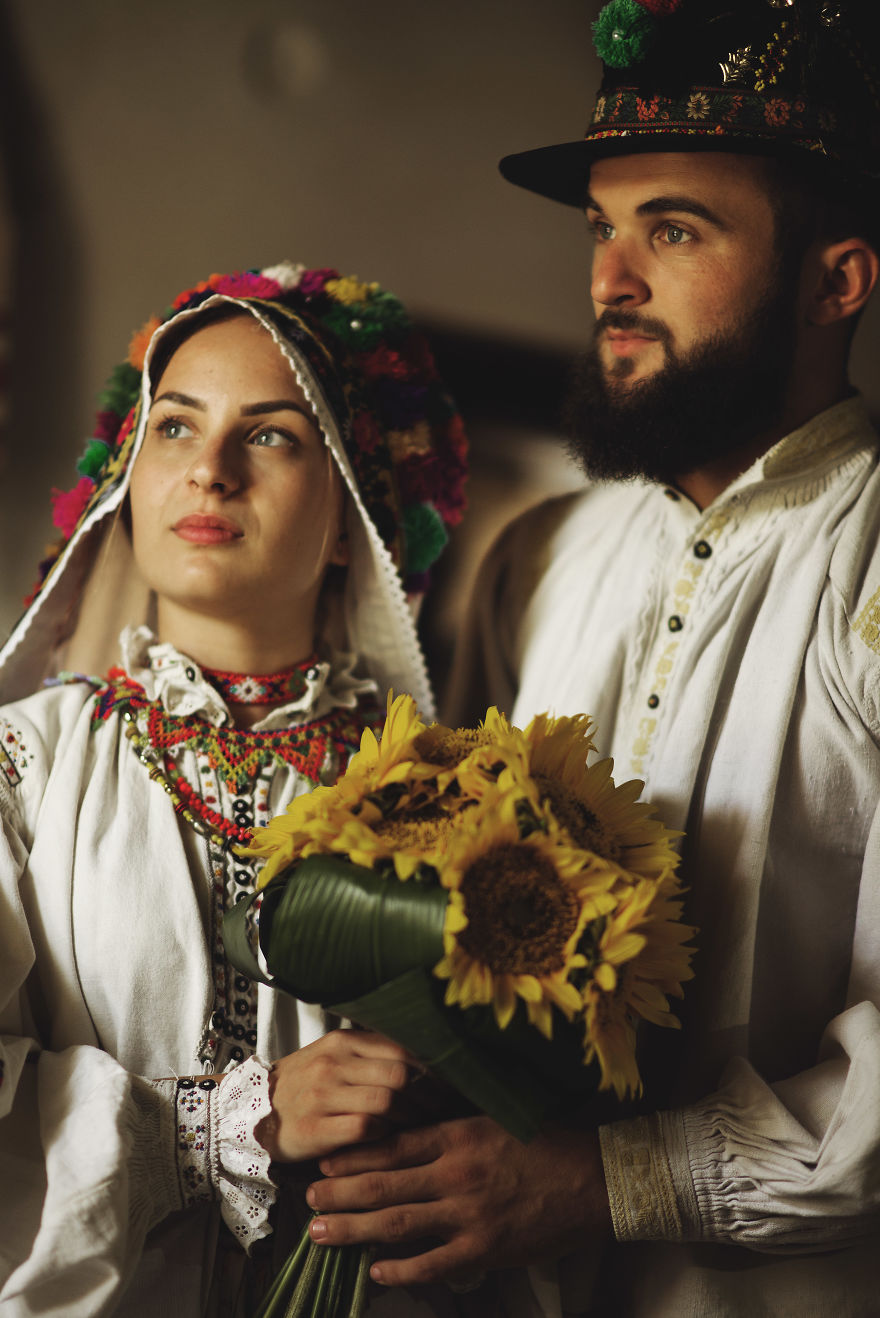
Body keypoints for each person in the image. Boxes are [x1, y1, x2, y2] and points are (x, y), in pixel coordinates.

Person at [300, 3, 880, 1315]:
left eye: (673, 231)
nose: (610, 281)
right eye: (601, 232)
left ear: (836, 280)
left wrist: (609, 1181)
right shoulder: (540, 550)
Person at [0, 260, 468, 1315]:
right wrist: (232, 1121)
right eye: (173, 426)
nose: (208, 469)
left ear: (353, 518)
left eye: (269, 433)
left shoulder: (458, 804)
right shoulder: (22, 771)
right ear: (126, 485)